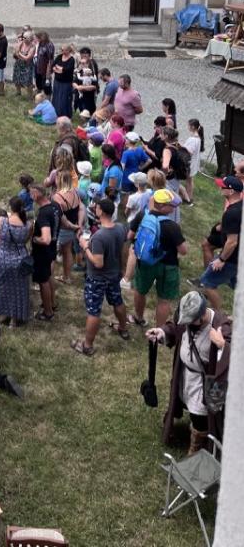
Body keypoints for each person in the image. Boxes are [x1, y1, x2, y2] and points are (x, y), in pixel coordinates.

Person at [147, 291, 232, 453]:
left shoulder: (220, 325)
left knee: (200, 414)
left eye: (191, 321)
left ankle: (198, 444)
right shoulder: (190, 319)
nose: (188, 324)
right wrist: (162, 332)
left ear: (202, 315)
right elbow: (176, 328)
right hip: (185, 375)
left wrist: (222, 345)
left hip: (203, 382)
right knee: (183, 400)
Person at [70, 197, 130, 356]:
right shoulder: (120, 228)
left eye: (96, 207)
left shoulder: (99, 236)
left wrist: (85, 247)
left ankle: (87, 346)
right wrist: (123, 268)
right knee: (117, 301)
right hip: (114, 275)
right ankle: (123, 328)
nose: (94, 209)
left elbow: (98, 263)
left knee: (94, 311)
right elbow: (124, 249)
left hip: (97, 279)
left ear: (101, 212)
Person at [128, 189, 187, 326]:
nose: (174, 208)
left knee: (140, 290)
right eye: (171, 205)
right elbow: (183, 251)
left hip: (145, 262)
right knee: (164, 300)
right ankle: (159, 331)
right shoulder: (172, 226)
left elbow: (130, 235)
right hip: (168, 266)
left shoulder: (142, 215)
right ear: (161, 205)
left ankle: (139, 318)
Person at [200, 176, 242, 311]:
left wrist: (221, 259)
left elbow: (232, 242)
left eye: (223, 186)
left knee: (208, 282)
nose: (220, 187)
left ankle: (219, 316)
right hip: (238, 257)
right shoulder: (240, 207)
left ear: (231, 191)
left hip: (232, 258)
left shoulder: (232, 213)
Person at [0, 196, 31, 327]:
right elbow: (25, 241)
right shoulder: (28, 224)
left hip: (3, 258)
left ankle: (3, 313)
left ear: (11, 208)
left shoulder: (2, 221)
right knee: (18, 290)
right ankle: (14, 320)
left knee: (0, 287)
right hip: (20, 259)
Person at [29, 182, 60, 321]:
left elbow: (46, 239)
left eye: (31, 193)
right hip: (53, 248)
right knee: (48, 276)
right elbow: (64, 221)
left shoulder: (43, 214)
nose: (31, 196)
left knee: (43, 281)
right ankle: (52, 303)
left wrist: (35, 238)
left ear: (36, 194)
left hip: (43, 253)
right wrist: (75, 227)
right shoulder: (55, 206)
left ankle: (47, 312)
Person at [53, 171, 84, 285]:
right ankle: (67, 276)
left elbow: (61, 218)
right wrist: (79, 225)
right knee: (68, 251)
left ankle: (51, 278)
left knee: (54, 253)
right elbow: (81, 208)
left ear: (60, 180)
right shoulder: (75, 192)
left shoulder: (58, 197)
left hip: (62, 229)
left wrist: (74, 226)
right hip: (72, 228)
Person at [50, 44, 75, 118]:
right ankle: (56, 113)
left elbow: (67, 70)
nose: (62, 51)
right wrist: (58, 69)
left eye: (64, 50)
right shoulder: (59, 56)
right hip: (57, 81)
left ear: (68, 50)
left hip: (66, 82)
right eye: (61, 50)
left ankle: (64, 114)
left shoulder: (71, 59)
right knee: (56, 97)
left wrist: (60, 69)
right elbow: (53, 65)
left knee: (64, 98)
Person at [73, 47, 99, 114]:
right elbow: (75, 79)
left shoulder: (92, 64)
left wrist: (83, 88)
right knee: (80, 106)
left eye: (86, 53)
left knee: (89, 108)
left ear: (89, 55)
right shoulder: (80, 64)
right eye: (82, 53)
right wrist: (77, 87)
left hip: (89, 91)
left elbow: (95, 82)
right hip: (79, 91)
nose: (84, 55)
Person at [183, 119, 204, 201]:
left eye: (188, 125)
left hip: (190, 163)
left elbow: (190, 152)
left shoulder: (193, 139)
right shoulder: (197, 137)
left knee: (189, 181)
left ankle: (188, 197)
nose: (187, 127)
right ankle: (189, 196)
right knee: (190, 180)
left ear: (192, 127)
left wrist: (181, 147)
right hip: (193, 162)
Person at [12, 30, 36, 97]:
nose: (23, 39)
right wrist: (17, 53)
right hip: (18, 64)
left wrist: (19, 53)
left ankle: (30, 96)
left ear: (30, 39)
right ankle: (18, 92)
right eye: (23, 37)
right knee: (16, 78)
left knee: (28, 81)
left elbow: (27, 58)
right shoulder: (21, 43)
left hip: (27, 66)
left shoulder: (32, 47)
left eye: (25, 38)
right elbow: (15, 53)